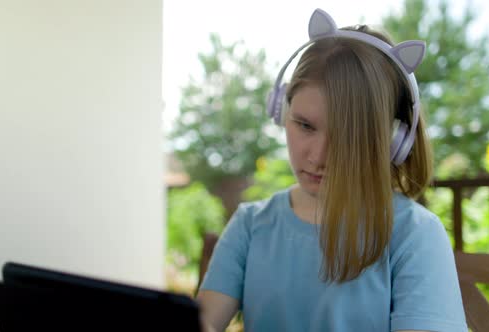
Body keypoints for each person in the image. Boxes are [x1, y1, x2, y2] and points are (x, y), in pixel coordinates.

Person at [197, 8, 467, 332]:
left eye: (346, 136)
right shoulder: (250, 226)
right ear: (280, 108)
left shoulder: (415, 234)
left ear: (394, 140)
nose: (318, 156)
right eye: (304, 125)